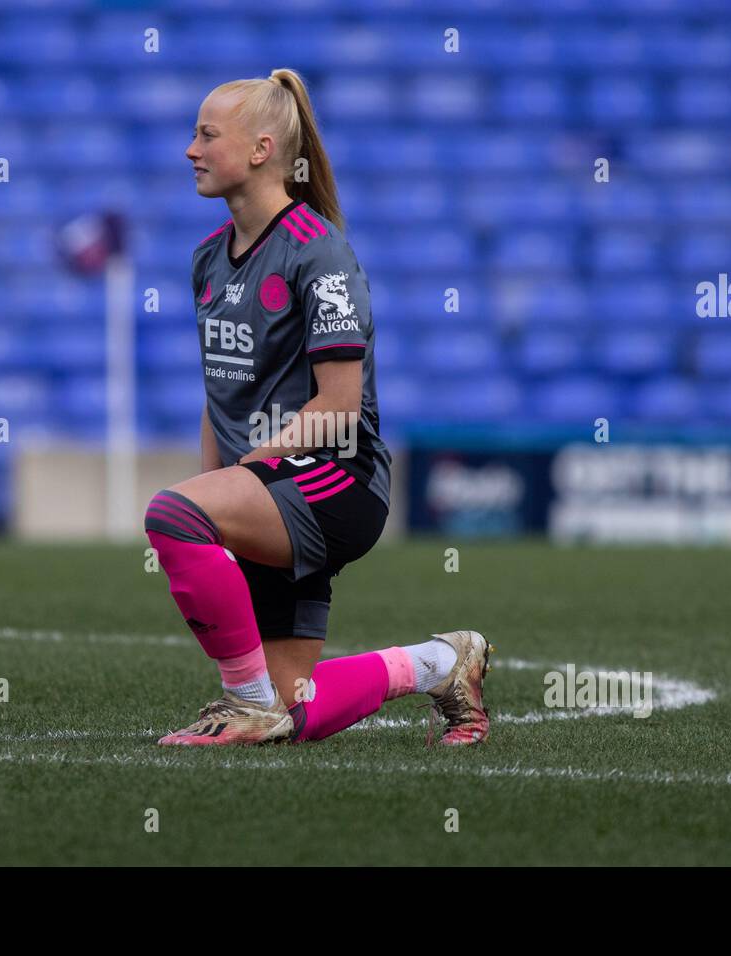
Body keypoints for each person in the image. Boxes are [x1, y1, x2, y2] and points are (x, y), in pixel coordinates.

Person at [143, 68, 492, 746]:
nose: (190, 150)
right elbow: (221, 395)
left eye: (206, 135)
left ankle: (242, 704)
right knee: (295, 712)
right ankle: (444, 663)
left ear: (261, 149)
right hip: (267, 482)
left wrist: (243, 476)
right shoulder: (208, 259)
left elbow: (338, 404)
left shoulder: (319, 252)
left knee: (170, 513)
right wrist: (219, 490)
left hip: (336, 482)